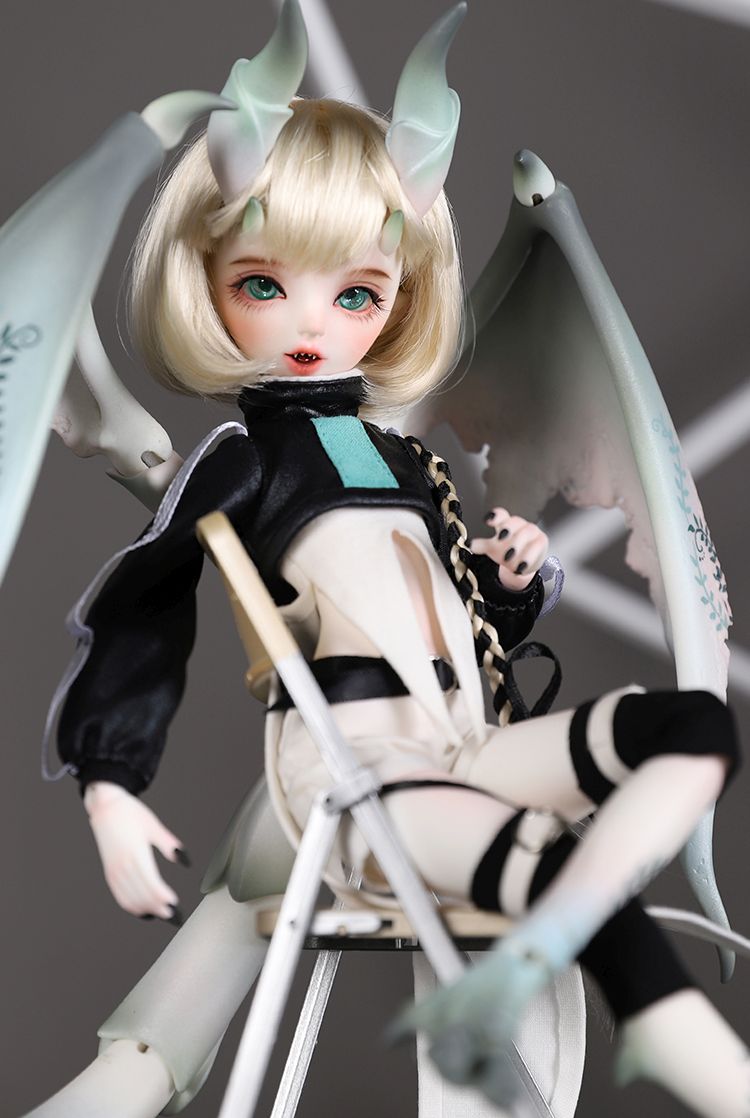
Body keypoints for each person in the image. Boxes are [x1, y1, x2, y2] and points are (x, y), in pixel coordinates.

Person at [27, 3, 745, 1116]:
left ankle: (539, 958)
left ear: (399, 295)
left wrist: (507, 581)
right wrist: (111, 784)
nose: (312, 324)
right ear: (203, 280)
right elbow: (144, 602)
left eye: (357, 292)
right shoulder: (242, 463)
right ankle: (665, 1031)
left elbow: (452, 625)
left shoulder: (407, 461)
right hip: (353, 783)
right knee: (547, 863)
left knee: (693, 727)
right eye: (264, 284)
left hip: (463, 751)